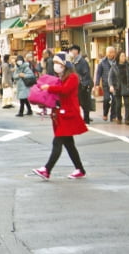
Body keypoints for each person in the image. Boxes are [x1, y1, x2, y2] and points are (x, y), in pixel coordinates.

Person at [33, 52, 88, 180]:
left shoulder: (73, 77)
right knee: (69, 144)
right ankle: (80, 169)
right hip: (62, 114)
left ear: (65, 64)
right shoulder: (62, 78)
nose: (55, 66)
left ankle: (47, 169)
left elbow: (65, 91)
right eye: (55, 63)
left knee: (58, 141)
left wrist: (49, 88)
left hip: (68, 114)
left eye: (58, 63)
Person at [108, 51, 129, 125]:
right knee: (118, 104)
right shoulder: (114, 66)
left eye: (124, 56)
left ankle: (127, 119)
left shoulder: (127, 65)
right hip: (118, 87)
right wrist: (111, 85)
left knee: (127, 104)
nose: (124, 57)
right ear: (118, 57)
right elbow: (110, 77)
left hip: (126, 86)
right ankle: (119, 118)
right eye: (122, 56)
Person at [69, 44, 93, 124]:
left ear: (77, 51)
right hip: (75, 85)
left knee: (84, 102)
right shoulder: (72, 61)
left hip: (83, 85)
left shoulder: (82, 61)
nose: (71, 52)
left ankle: (86, 118)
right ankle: (77, 118)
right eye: (70, 50)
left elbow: (86, 73)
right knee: (77, 102)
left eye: (72, 50)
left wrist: (84, 83)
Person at [95, 46, 117, 122]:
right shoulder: (102, 62)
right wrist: (97, 84)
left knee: (115, 99)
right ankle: (105, 113)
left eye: (113, 52)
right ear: (106, 53)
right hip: (105, 84)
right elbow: (98, 74)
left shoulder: (116, 62)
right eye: (110, 52)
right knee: (106, 99)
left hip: (115, 84)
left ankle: (113, 116)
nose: (111, 54)